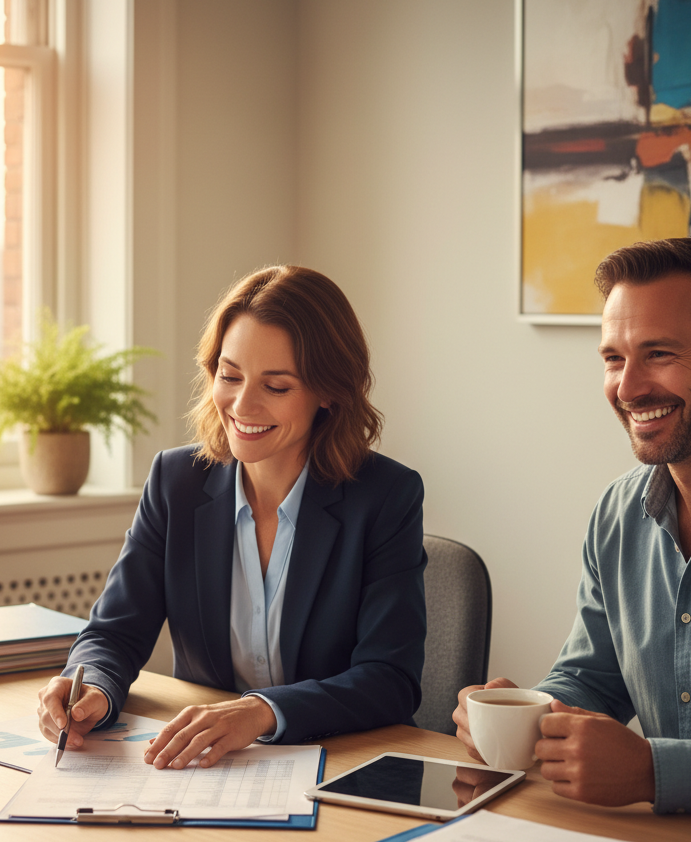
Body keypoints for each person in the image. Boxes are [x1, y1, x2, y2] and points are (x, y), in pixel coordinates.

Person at [37, 265, 426, 769]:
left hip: (343, 763)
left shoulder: (386, 495)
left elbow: (390, 679)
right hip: (210, 771)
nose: (243, 404)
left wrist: (261, 712)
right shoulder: (176, 482)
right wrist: (92, 687)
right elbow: (114, 633)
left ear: (329, 393)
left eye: (277, 386)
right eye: (230, 375)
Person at [454, 237, 691, 816]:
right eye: (614, 358)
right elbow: (591, 680)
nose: (627, 389)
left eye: (658, 354)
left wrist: (655, 772)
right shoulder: (617, 514)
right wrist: (531, 710)